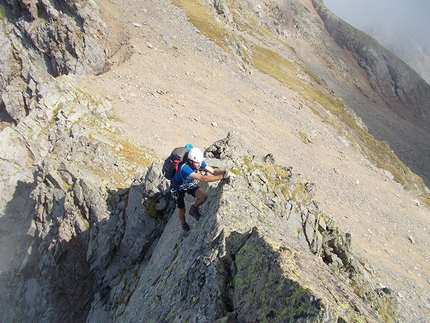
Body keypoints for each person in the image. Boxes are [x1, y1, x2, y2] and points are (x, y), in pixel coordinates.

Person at [170, 147, 235, 232]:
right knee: (182, 209)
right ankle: (184, 224)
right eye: (197, 163)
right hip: (177, 188)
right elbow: (202, 178)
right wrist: (222, 177)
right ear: (190, 161)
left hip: (188, 184)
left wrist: (225, 172)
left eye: (200, 162)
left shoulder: (199, 162)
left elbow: (213, 171)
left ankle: (193, 209)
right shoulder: (185, 168)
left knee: (203, 196)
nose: (200, 165)